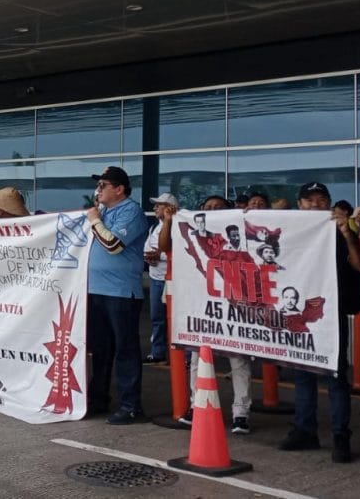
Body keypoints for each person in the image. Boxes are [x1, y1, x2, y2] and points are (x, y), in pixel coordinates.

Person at [278, 182, 360, 463]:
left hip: (330, 312)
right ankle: (305, 430)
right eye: (309, 200)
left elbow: (358, 265)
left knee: (335, 377)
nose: (315, 204)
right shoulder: (290, 230)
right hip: (297, 310)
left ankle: (341, 436)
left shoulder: (339, 229)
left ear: (329, 203)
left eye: (321, 199)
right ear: (299, 204)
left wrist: (347, 232)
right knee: (302, 373)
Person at [173, 194, 255, 434]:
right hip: (204, 306)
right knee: (199, 360)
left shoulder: (237, 239)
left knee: (238, 361)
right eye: (207, 207)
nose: (211, 210)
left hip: (234, 307)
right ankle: (197, 406)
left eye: (217, 207)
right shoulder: (202, 239)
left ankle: (241, 414)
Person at [84, 166, 149, 424]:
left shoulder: (131, 211)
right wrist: (96, 217)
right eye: (98, 185)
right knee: (100, 349)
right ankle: (98, 397)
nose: (98, 190)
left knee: (125, 349)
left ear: (119, 189)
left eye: (103, 185)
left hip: (120, 292)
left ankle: (131, 405)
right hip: (96, 289)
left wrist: (94, 220)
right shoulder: (102, 212)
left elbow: (113, 244)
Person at [142, 192, 177, 364]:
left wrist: (159, 256)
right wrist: (149, 257)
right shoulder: (154, 227)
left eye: (159, 205)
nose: (155, 208)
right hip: (156, 278)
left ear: (170, 208)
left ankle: (184, 357)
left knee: (177, 318)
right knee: (157, 318)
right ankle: (157, 352)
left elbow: (179, 251)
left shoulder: (178, 226)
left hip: (174, 279)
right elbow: (147, 248)